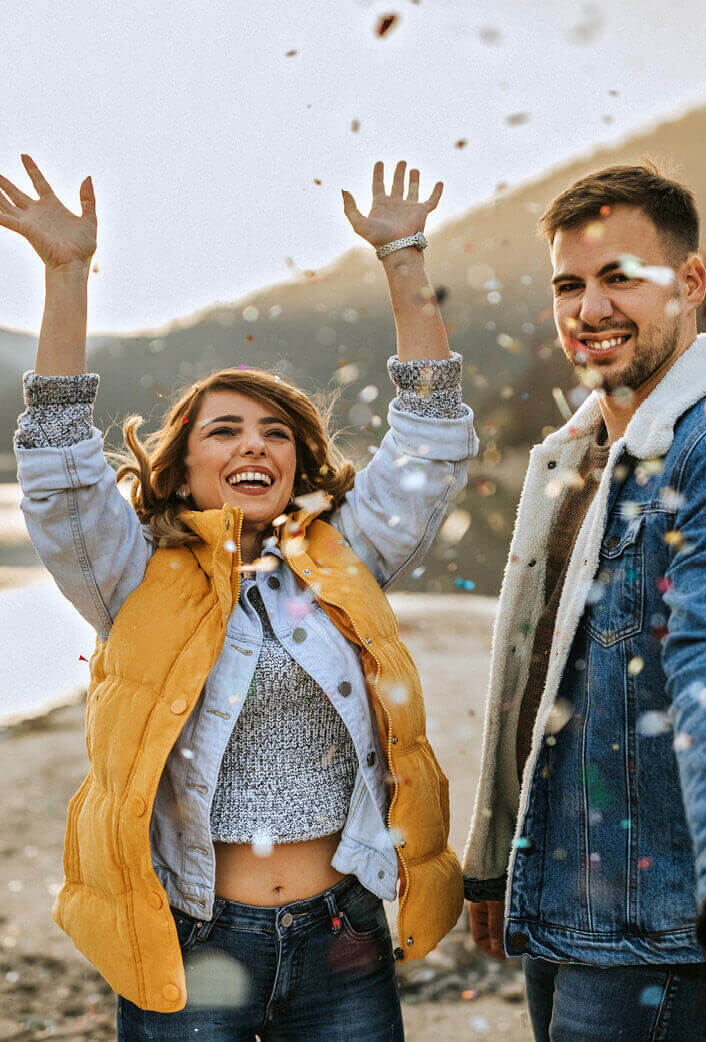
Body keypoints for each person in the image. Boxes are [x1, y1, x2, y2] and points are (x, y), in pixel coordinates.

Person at [5, 154, 478, 1041]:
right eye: (224, 430)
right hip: (188, 939)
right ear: (182, 466)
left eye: (276, 432)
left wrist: (404, 260)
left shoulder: (344, 558)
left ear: (298, 461)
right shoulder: (131, 574)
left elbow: (430, 445)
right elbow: (61, 471)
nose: (254, 444)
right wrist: (66, 275)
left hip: (343, 937)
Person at [462, 164, 706, 1042]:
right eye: (568, 285)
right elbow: (533, 676)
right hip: (559, 893)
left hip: (654, 919)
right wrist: (492, 862)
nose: (588, 311)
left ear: (690, 283)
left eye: (619, 277)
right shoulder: (571, 455)